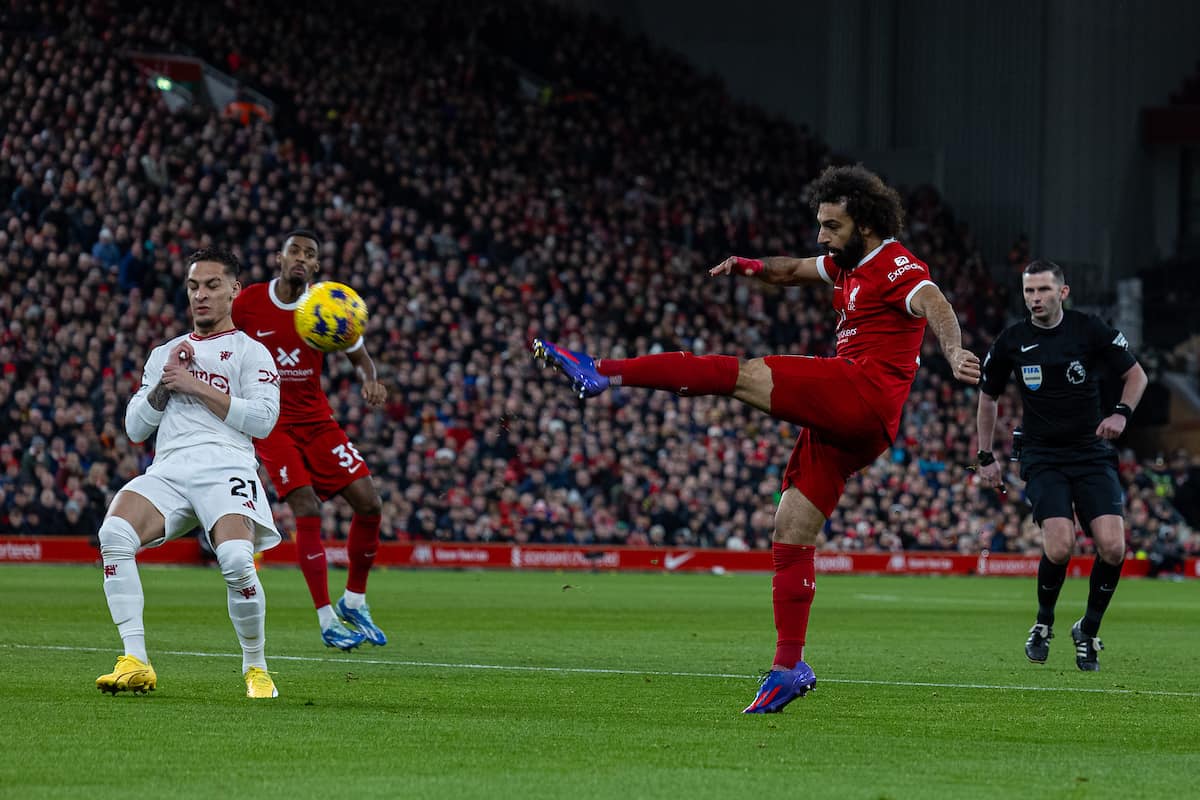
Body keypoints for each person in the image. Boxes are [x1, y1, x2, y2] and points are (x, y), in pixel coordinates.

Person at [533, 165, 981, 713]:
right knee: (790, 526)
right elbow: (792, 270)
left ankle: (602, 370)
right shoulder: (846, 263)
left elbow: (935, 302)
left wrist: (953, 350)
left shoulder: (895, 263)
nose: (822, 234)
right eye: (820, 223)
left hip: (862, 394)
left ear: (864, 224)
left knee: (739, 373)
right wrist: (749, 265)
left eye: (832, 225)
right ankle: (789, 667)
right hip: (854, 426)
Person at [96, 247, 283, 699]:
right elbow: (135, 428)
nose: (201, 295)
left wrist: (195, 385)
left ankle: (255, 668)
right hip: (171, 468)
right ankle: (136, 660)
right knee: (114, 534)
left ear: (234, 290)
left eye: (213, 285)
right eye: (194, 286)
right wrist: (165, 381)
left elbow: (263, 421)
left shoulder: (251, 353)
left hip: (228, 465)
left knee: (238, 562)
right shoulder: (164, 353)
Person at [976, 259, 1147, 671]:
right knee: (1060, 544)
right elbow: (988, 397)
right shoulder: (1012, 340)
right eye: (1029, 291)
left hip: (1091, 452)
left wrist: (1121, 413)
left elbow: (1136, 375)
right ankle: (1043, 623)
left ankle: (1087, 630)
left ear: (1062, 293)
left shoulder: (1090, 329)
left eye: (1043, 290)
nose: (1035, 298)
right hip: (1043, 455)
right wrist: (985, 455)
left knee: (1113, 546)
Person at [232, 229, 388, 650]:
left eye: (310, 254)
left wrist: (370, 380)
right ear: (279, 258)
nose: (301, 258)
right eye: (294, 251)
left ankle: (354, 600)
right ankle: (326, 619)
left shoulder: (326, 305)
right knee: (307, 505)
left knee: (370, 504)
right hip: (272, 421)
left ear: (317, 266)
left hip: (318, 419)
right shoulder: (248, 303)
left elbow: (360, 356)